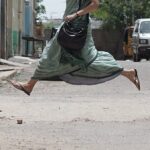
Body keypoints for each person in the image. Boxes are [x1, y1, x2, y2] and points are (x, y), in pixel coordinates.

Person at [8, 0, 140, 96]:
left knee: (87, 61)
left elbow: (95, 4)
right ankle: (128, 73)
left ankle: (30, 85)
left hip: (77, 29)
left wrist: (75, 15)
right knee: (53, 55)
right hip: (68, 26)